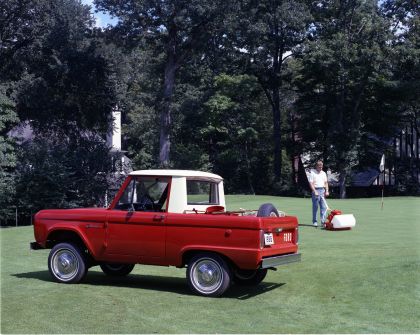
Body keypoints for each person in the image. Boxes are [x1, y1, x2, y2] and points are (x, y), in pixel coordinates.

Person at [309, 161, 329, 227]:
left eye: (321, 167)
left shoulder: (323, 173)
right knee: (315, 207)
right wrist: (315, 191)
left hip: (322, 190)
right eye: (319, 167)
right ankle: (314, 221)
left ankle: (323, 222)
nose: (320, 168)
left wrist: (327, 191)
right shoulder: (312, 172)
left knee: (323, 207)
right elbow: (311, 183)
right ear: (316, 166)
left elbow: (326, 183)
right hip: (316, 190)